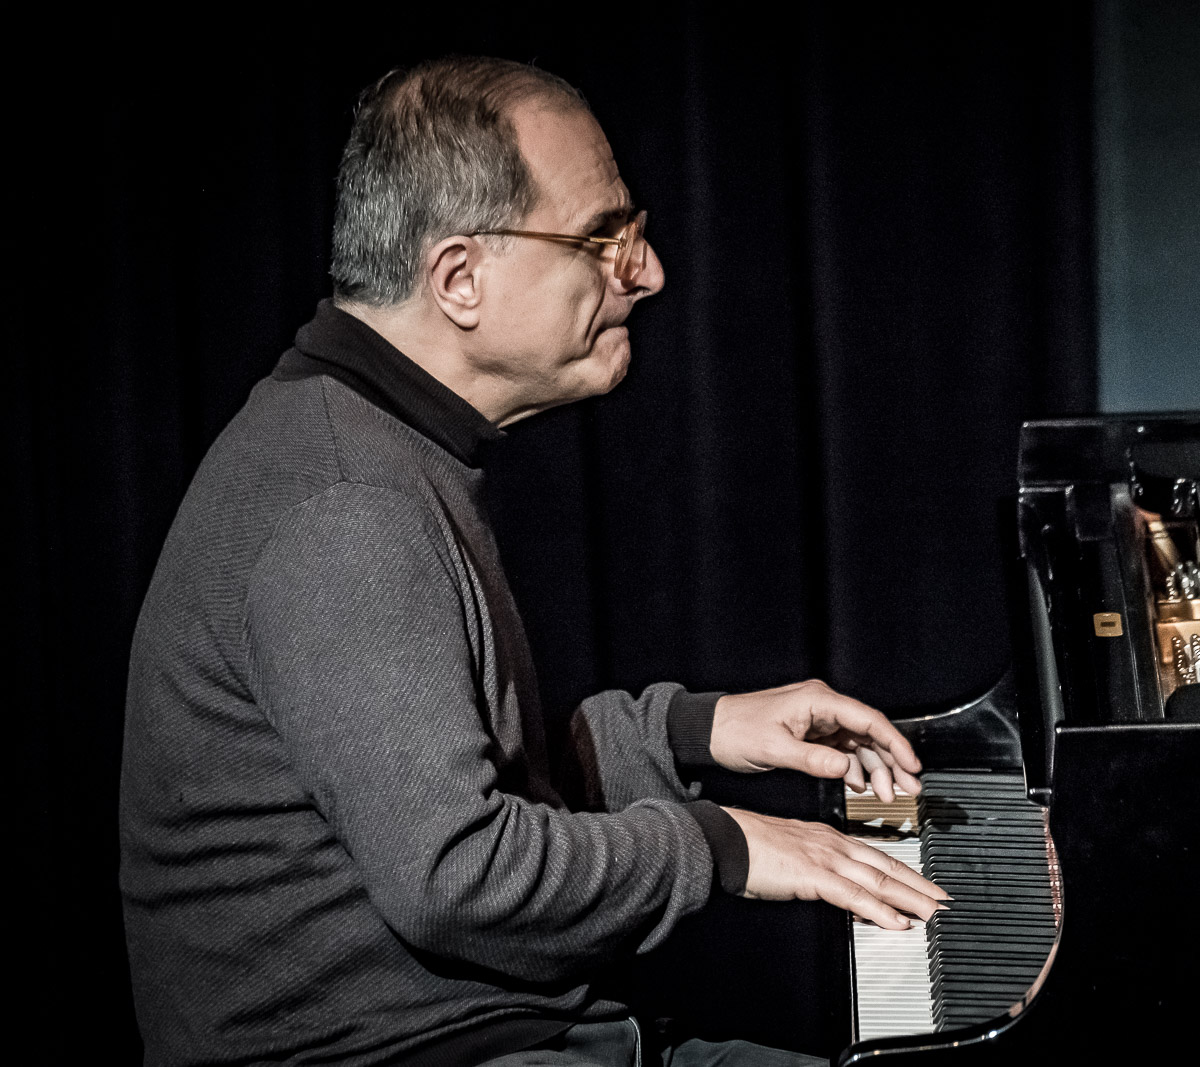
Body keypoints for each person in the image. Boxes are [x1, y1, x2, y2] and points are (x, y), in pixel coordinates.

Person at [120, 56, 946, 1067]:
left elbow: (457, 776)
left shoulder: (371, 446)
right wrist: (722, 844)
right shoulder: (345, 507)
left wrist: (694, 729)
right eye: (602, 238)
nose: (645, 273)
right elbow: (457, 873)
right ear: (461, 278)